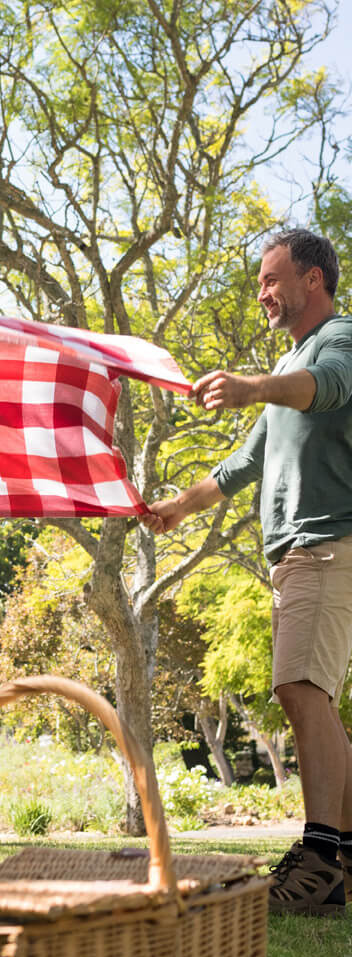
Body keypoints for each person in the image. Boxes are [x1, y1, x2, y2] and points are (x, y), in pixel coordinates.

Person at [143, 228, 352, 915]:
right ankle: (340, 859)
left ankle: (320, 856)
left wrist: (251, 386)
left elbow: (323, 389)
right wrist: (178, 507)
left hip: (324, 543)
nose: (262, 292)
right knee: (313, 696)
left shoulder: (338, 340)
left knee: (298, 687)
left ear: (313, 279)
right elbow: (239, 467)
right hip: (298, 553)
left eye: (271, 279)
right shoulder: (288, 370)